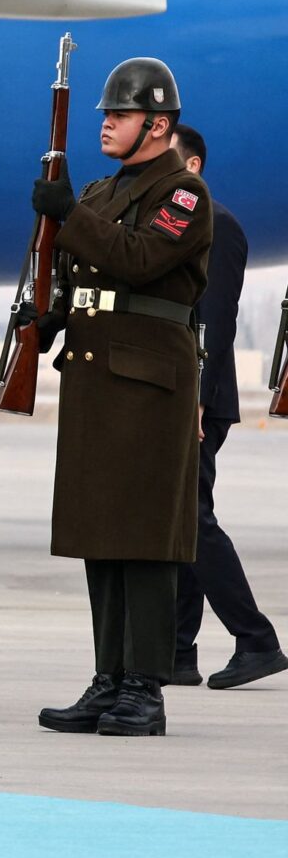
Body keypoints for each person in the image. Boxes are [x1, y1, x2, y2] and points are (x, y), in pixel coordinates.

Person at [31, 58, 211, 737]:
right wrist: (52, 313)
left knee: (142, 540)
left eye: (120, 114)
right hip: (98, 377)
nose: (105, 123)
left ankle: (145, 686)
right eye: (105, 113)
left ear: (158, 124)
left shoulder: (182, 195)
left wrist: (69, 213)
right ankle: (109, 677)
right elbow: (90, 269)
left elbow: (138, 259)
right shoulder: (108, 190)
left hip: (147, 386)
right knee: (101, 536)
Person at [170, 125, 283, 690]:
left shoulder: (216, 223)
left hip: (200, 398)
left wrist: (192, 394)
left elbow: (213, 319)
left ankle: (256, 639)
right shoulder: (179, 222)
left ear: (191, 166)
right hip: (187, 394)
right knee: (183, 520)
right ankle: (177, 649)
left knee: (190, 519)